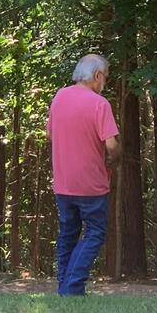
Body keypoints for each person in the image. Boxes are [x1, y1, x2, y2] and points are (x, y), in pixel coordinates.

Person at [46, 54, 120, 295]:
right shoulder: (100, 104)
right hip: (91, 183)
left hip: (63, 182)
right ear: (97, 76)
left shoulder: (59, 98)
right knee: (95, 233)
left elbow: (50, 134)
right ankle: (72, 287)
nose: (105, 83)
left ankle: (64, 288)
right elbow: (111, 145)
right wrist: (116, 156)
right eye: (105, 78)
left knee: (68, 233)